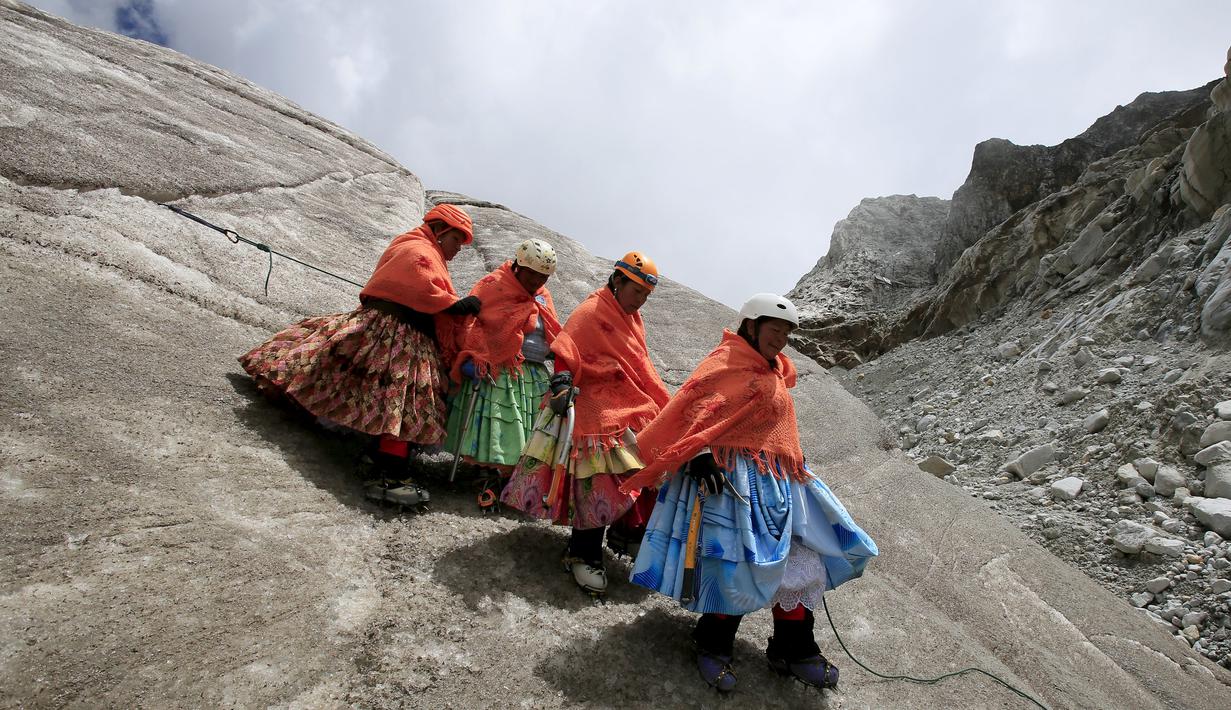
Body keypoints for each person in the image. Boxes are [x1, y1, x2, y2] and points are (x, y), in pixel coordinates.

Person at [620, 293, 878, 693]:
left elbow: (779, 432)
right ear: (751, 326)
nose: (781, 339)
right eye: (775, 329)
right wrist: (699, 454)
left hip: (778, 483)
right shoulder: (724, 364)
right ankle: (712, 643)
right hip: (730, 484)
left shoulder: (775, 373)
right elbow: (692, 409)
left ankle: (795, 648)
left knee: (800, 560)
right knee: (735, 565)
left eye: (786, 333)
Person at [238, 203, 480, 508]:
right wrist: (454, 305)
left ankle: (375, 458)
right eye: (457, 239)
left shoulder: (427, 251)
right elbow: (418, 284)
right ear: (440, 230)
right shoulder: (418, 249)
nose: (458, 248)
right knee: (404, 402)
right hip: (395, 330)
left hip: (406, 332)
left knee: (395, 400)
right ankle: (387, 476)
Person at [500, 251, 670, 596]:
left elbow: (639, 364)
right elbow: (567, 349)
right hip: (590, 398)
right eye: (636, 291)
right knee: (600, 476)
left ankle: (626, 533)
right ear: (618, 280)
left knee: (652, 462)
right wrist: (562, 381)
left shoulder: (632, 319)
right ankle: (583, 551)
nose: (640, 300)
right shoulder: (591, 311)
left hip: (626, 400)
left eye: (646, 295)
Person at [442, 239, 561, 509]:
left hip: (534, 371)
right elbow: (471, 325)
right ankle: (490, 473)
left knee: (529, 429)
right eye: (532, 274)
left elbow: (552, 327)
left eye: (543, 277)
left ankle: (515, 478)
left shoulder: (543, 295)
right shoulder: (493, 285)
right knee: (502, 422)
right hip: (499, 367)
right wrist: (478, 352)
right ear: (519, 266)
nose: (537, 281)